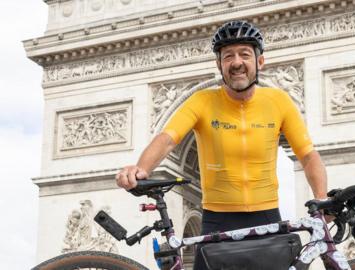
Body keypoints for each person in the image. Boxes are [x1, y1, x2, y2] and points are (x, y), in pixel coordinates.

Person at [116, 20, 329, 270]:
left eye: (244, 54)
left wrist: (322, 199)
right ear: (219, 65)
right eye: (228, 56)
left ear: (260, 62)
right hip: (217, 221)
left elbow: (308, 155)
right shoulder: (201, 101)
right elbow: (168, 139)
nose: (237, 62)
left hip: (268, 219)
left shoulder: (279, 101)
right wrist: (141, 168)